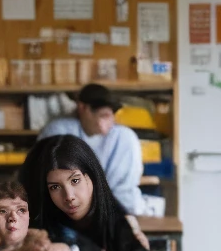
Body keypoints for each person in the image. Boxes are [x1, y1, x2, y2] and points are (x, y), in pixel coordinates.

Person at [21, 136, 153, 251]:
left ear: (91, 178)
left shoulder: (113, 218)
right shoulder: (38, 220)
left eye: (75, 181)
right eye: (55, 187)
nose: (68, 196)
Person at [39, 83, 145, 214]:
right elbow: (51, 181)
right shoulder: (58, 131)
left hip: (116, 211)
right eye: (102, 115)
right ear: (82, 108)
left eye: (110, 116)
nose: (108, 123)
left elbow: (124, 189)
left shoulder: (124, 137)